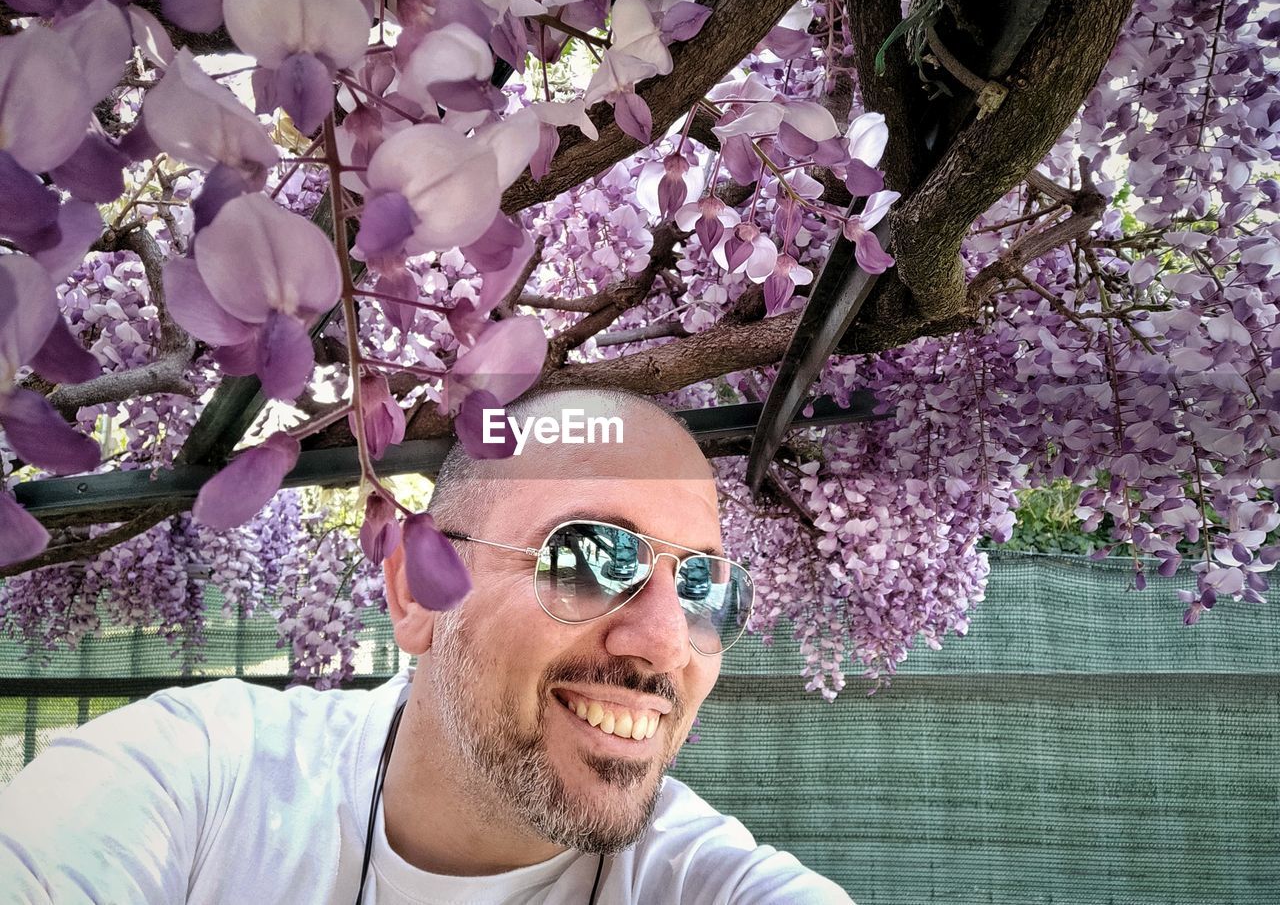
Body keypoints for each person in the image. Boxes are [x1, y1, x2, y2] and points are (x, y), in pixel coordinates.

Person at [0, 388, 854, 904]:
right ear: (416, 592)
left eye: (705, 585)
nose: (668, 642)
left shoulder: (701, 879)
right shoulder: (202, 775)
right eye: (590, 558)